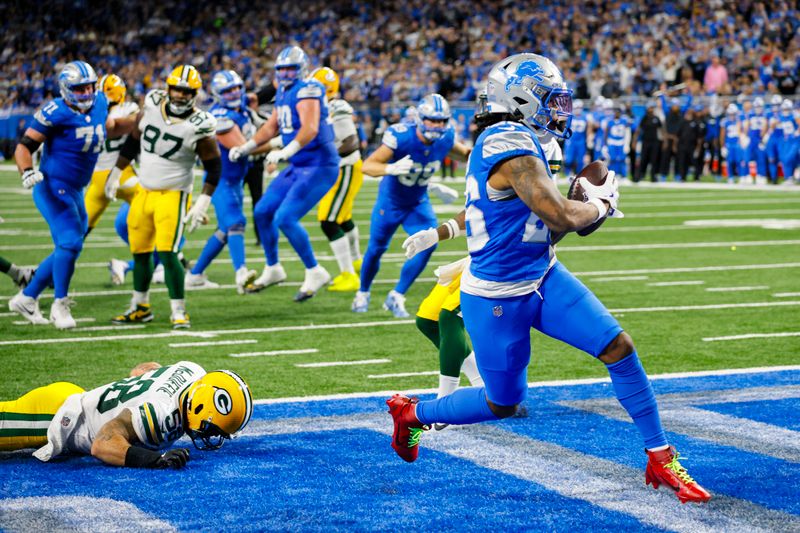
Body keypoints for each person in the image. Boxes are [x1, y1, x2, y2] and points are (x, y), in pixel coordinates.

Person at [386, 53, 711, 505]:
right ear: (520, 99)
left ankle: (660, 456)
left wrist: (583, 211)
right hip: (497, 295)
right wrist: (598, 205)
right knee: (502, 402)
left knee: (618, 347)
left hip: (543, 276)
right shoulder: (506, 142)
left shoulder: (531, 141)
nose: (560, 110)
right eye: (550, 100)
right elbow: (559, 214)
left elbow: (540, 224)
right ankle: (413, 414)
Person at [9, 61, 135, 329]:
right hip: (52, 186)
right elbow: (24, 146)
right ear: (66, 89)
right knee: (70, 243)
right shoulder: (55, 112)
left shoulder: (100, 103)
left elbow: (111, 128)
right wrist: (27, 171)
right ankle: (60, 304)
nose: (87, 92)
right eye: (80, 88)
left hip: (76, 188)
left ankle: (27, 297)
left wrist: (138, 122)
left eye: (89, 86)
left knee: (69, 246)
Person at [107, 64, 221, 329]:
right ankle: (140, 307)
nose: (180, 95)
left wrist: (202, 203)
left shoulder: (200, 125)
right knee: (140, 253)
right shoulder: (151, 104)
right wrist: (116, 172)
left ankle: (178, 310)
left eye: (186, 91)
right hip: (144, 191)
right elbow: (133, 139)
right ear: (168, 88)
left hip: (173, 194)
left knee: (168, 253)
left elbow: (214, 167)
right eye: (176, 89)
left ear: (195, 93)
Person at [229, 46, 339, 301]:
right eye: (282, 69)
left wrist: (285, 152)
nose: (286, 74)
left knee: (285, 218)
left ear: (302, 69)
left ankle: (315, 271)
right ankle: (273, 268)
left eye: (291, 69)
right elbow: (271, 126)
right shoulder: (283, 90)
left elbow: (310, 128)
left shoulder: (310, 88)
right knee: (262, 211)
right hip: (299, 165)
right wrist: (246, 147)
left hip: (320, 165)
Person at [0, 361, 252, 469]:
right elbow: (102, 443)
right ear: (198, 407)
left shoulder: (193, 371)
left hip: (75, 397)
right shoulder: (161, 416)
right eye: (212, 429)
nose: (210, 435)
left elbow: (144, 370)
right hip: (57, 416)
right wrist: (155, 459)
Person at [351, 93, 470, 318]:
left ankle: (397, 295)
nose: (437, 126)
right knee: (376, 249)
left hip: (418, 202)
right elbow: (368, 165)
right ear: (420, 119)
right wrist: (389, 168)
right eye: (432, 120)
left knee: (428, 242)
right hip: (391, 202)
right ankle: (363, 292)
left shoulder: (445, 138)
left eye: (442, 121)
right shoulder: (402, 137)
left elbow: (468, 155)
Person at [185, 70, 260, 294]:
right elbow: (244, 147)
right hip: (220, 180)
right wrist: (278, 142)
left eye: (236, 88)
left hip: (235, 179)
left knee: (226, 230)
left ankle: (195, 274)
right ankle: (241, 273)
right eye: (228, 91)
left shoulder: (242, 108)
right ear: (219, 94)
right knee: (236, 222)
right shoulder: (220, 117)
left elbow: (259, 98)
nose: (234, 93)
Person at [311, 67, 364, 292]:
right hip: (344, 168)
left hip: (345, 167)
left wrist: (327, 156)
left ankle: (348, 274)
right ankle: (357, 262)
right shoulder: (323, 107)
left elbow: (351, 141)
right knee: (342, 218)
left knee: (328, 220)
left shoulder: (336, 106)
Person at [636, 104, 663, 183]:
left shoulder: (656, 118)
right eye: (650, 108)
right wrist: (635, 140)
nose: (651, 109)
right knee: (643, 159)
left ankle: (653, 176)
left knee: (654, 159)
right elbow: (639, 129)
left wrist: (664, 140)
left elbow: (661, 129)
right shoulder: (644, 118)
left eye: (652, 108)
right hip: (645, 141)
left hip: (654, 141)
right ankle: (640, 175)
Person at [720, 103, 745, 184]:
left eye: (733, 114)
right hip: (729, 144)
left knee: (739, 160)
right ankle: (730, 177)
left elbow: (742, 132)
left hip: (737, 143)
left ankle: (741, 177)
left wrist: (743, 141)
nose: (732, 115)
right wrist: (723, 147)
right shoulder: (725, 121)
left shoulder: (739, 121)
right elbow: (722, 135)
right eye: (730, 114)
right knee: (730, 161)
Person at [563, 99, 587, 177]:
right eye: (577, 107)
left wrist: (589, 138)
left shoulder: (585, 116)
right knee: (569, 159)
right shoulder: (570, 116)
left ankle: (579, 175)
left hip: (581, 140)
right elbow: (565, 127)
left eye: (579, 107)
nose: (578, 109)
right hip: (571, 140)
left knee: (580, 160)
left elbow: (589, 128)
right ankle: (567, 174)